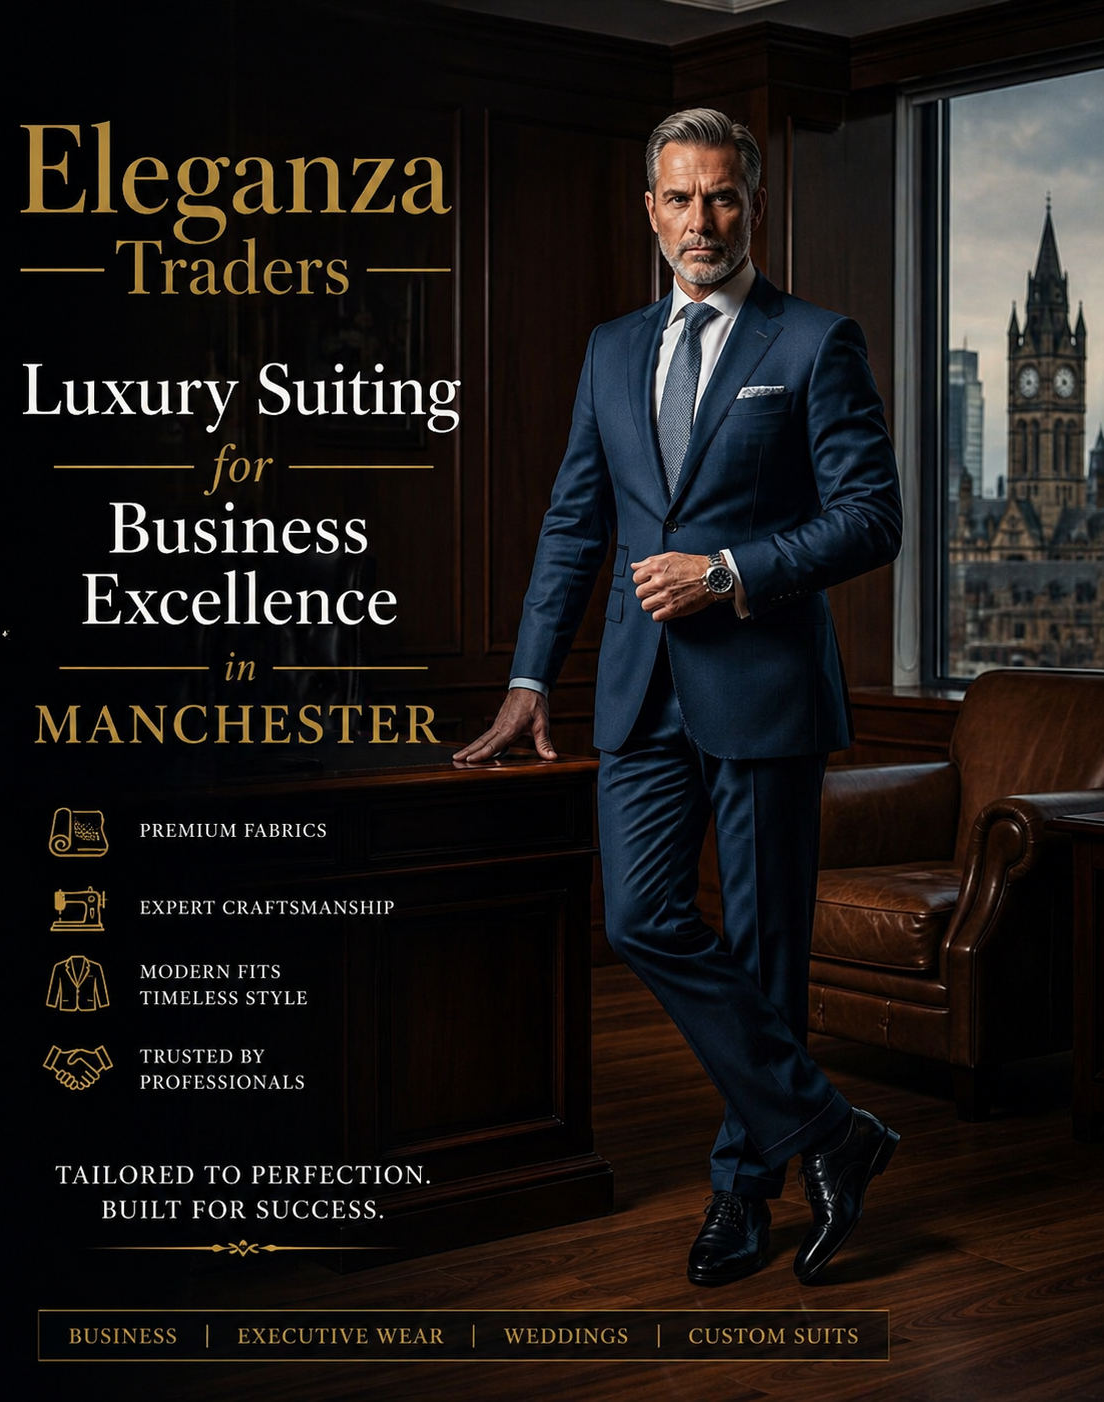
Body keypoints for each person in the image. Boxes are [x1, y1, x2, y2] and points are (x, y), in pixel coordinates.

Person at [455, 109, 902, 1287]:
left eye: (722, 199)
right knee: (639, 915)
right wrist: (526, 676)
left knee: (764, 952)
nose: (701, 222)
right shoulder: (611, 349)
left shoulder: (814, 342)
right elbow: (573, 521)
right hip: (635, 691)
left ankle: (741, 1195)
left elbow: (872, 516)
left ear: (753, 206)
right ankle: (835, 1131)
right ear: (648, 211)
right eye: (679, 199)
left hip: (764, 689)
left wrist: (731, 571)